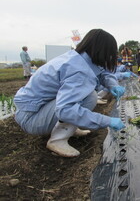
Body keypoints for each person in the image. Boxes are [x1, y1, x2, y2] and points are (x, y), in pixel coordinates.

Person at [14, 29, 126, 157]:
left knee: (88, 96)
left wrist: (113, 85)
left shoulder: (80, 58)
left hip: (38, 109)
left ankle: (69, 128)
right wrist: (107, 121)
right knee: (89, 97)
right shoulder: (77, 70)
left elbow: (103, 73)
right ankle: (57, 140)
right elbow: (65, 110)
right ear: (103, 51)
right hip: (31, 118)